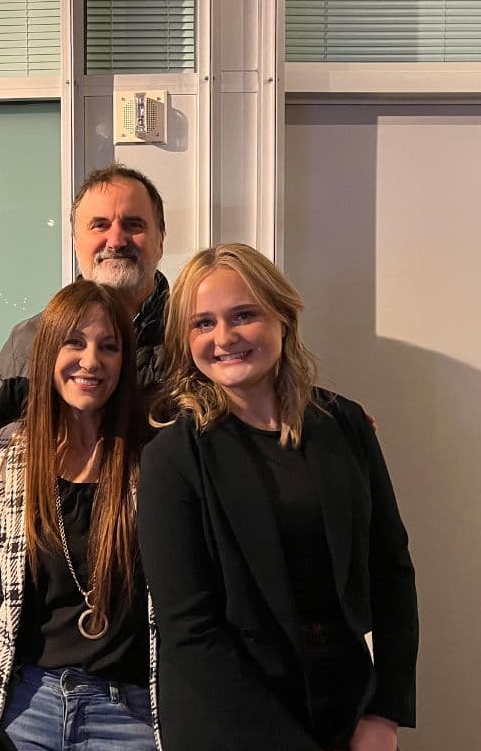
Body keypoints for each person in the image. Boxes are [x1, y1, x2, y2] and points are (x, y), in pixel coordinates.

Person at [138, 244, 418, 751]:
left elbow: (391, 569)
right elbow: (190, 632)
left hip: (345, 710)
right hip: (228, 723)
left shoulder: (346, 424)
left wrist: (385, 712)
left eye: (243, 315)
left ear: (282, 318)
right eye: (202, 323)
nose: (224, 338)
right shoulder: (172, 457)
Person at [0, 280, 156, 751]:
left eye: (109, 346)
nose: (91, 360)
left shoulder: (155, 457)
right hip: (26, 704)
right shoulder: (10, 453)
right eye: (74, 342)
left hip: (130, 712)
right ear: (47, 354)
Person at [0, 163, 168, 435]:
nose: (115, 240)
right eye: (100, 225)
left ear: (160, 240)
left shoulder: (193, 338)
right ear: (76, 242)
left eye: (133, 224)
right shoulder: (29, 339)